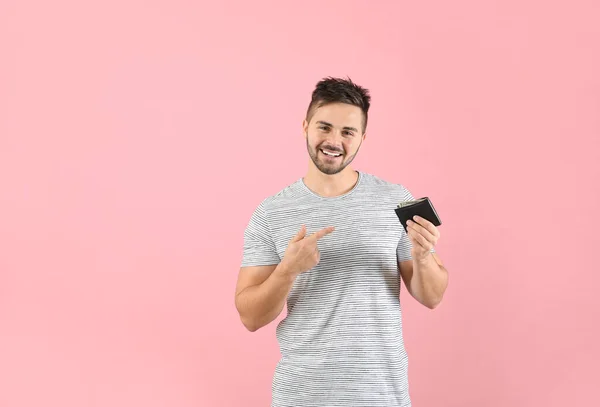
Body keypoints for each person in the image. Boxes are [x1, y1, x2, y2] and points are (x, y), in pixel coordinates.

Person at [234, 76, 449, 407]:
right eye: (324, 127)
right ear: (305, 126)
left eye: (347, 132)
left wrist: (421, 257)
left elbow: (432, 297)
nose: (334, 140)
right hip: (301, 396)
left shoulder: (395, 200)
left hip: (382, 397)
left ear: (362, 138)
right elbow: (250, 317)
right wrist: (288, 270)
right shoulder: (271, 213)